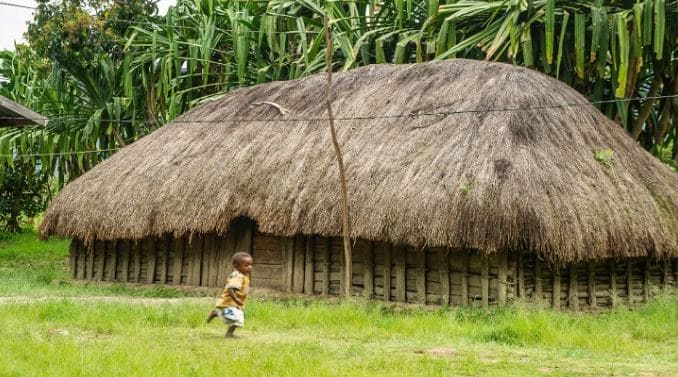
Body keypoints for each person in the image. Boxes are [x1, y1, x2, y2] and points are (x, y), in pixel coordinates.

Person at [206, 252, 253, 338]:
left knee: (238, 320)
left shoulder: (244, 275)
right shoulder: (237, 276)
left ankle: (229, 334)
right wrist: (235, 299)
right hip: (229, 302)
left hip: (236, 303)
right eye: (246, 265)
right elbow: (230, 288)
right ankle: (216, 313)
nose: (250, 267)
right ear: (236, 266)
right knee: (235, 319)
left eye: (250, 264)